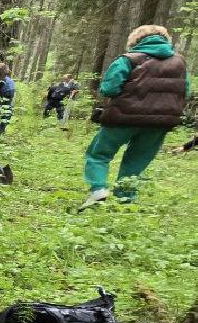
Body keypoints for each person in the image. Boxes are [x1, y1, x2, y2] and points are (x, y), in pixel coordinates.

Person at [80, 25, 189, 209]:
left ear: (136, 40)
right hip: (159, 123)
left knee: (99, 154)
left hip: (122, 118)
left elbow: (109, 88)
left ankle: (98, 190)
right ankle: (125, 200)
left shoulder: (128, 59)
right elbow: (185, 92)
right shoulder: (180, 63)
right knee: (137, 160)